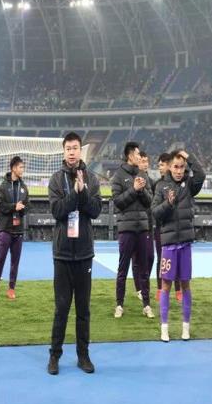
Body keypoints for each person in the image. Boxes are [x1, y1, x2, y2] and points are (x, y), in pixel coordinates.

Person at [47, 132, 102, 375]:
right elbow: (58, 211)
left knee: (83, 309)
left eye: (75, 147)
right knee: (61, 308)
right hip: (62, 254)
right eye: (68, 148)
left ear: (81, 150)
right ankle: (54, 356)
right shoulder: (56, 179)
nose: (72, 152)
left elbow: (96, 210)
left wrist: (84, 192)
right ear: (64, 151)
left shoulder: (92, 178)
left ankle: (83, 355)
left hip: (84, 253)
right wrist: (75, 193)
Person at [152, 149, 205, 342]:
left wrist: (189, 157)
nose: (179, 170)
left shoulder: (189, 184)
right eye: (175, 166)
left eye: (182, 167)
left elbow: (201, 174)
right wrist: (168, 203)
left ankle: (185, 327)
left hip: (185, 243)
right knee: (166, 285)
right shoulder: (160, 186)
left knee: (185, 285)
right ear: (169, 167)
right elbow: (155, 212)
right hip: (168, 244)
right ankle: (164, 328)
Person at [112, 141, 154, 319]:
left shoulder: (142, 174)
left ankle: (147, 305)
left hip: (142, 229)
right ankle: (119, 305)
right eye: (137, 154)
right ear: (130, 156)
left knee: (144, 269)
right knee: (123, 269)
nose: (140, 157)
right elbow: (118, 202)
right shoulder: (118, 176)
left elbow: (150, 201)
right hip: (126, 229)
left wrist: (141, 190)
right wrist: (134, 189)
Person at [0, 156, 29, 300]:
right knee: (0, 260)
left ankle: (11, 288)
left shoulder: (24, 187)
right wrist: (13, 207)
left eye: (23, 167)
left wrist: (23, 209)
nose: (22, 169)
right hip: (5, 230)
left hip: (19, 230)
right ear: (14, 168)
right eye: (21, 167)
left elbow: (27, 205)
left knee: (15, 262)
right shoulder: (3, 185)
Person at [154, 153, 182, 303]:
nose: (160, 168)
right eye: (159, 165)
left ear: (169, 166)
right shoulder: (158, 185)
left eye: (162, 165)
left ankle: (178, 290)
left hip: (176, 228)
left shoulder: (180, 183)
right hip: (161, 227)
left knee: (178, 259)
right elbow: (154, 208)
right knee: (161, 259)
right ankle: (160, 289)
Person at [131, 151, 155, 307]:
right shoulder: (134, 179)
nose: (144, 164)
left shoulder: (151, 181)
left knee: (150, 257)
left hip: (149, 223)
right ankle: (139, 288)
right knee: (136, 258)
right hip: (136, 224)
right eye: (142, 161)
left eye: (146, 161)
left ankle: (143, 282)